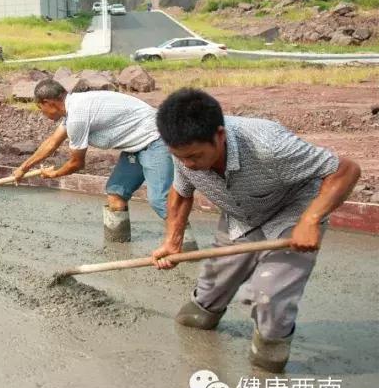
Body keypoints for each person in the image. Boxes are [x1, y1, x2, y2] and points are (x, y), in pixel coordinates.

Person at [152, 89, 359, 372]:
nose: (188, 163)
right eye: (181, 156)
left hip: (293, 212)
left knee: (270, 295)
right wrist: (172, 242)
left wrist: (310, 221)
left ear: (220, 136)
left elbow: (345, 170)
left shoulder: (268, 145)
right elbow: (181, 191)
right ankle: (205, 310)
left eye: (196, 155)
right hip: (241, 214)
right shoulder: (182, 151)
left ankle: (268, 360)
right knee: (207, 295)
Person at [13, 79, 195, 246]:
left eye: (40, 108)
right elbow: (52, 142)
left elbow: (77, 163)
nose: (42, 113)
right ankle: (117, 247)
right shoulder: (74, 107)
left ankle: (187, 248)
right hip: (136, 146)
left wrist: (55, 174)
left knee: (160, 200)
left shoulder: (77, 115)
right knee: (116, 193)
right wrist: (23, 168)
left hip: (156, 139)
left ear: (48, 102)